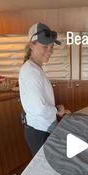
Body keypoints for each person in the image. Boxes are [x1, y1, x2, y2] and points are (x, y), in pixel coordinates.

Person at [19, 22, 71, 156]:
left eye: (52, 46)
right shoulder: (31, 72)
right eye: (45, 46)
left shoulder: (35, 68)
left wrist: (58, 110)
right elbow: (39, 109)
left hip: (43, 127)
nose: (50, 51)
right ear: (31, 45)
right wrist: (59, 110)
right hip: (39, 131)